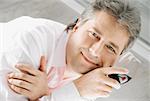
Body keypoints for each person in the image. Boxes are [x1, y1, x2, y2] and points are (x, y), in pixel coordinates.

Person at [0, 0, 141, 101]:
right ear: (77, 25)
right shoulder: (29, 39)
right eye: (94, 34)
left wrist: (44, 94)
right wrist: (76, 90)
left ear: (118, 57)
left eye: (110, 48)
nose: (95, 51)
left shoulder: (92, 81)